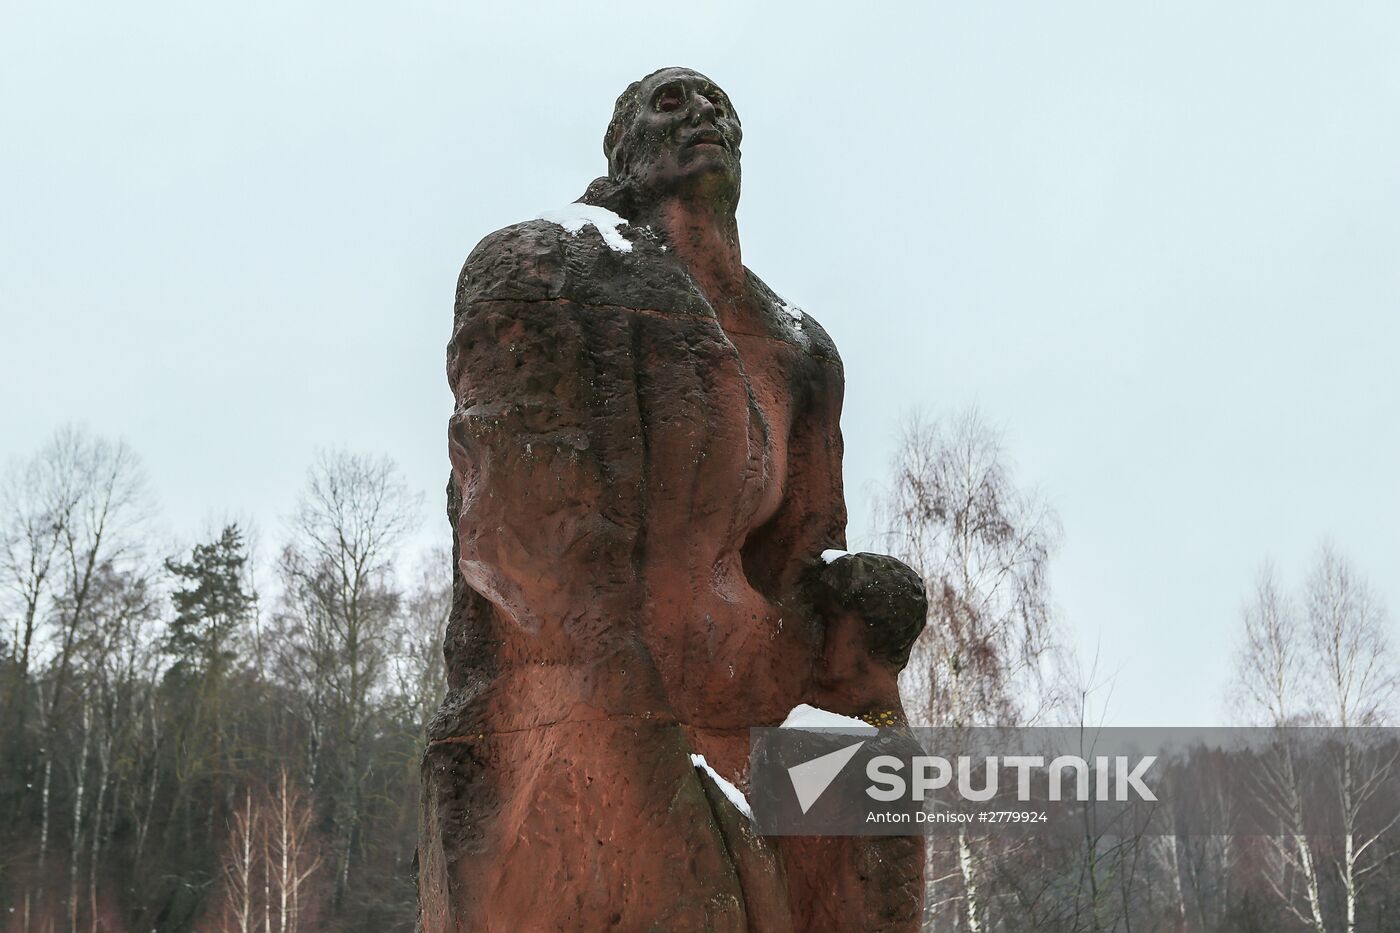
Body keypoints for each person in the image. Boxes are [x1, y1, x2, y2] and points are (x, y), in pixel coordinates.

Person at [420, 67, 927, 932]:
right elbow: (515, 519)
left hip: (751, 691)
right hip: (586, 675)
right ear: (622, 150)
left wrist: (858, 605)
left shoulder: (800, 349)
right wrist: (621, 662)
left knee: (875, 767)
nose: (703, 114)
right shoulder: (542, 264)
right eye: (671, 102)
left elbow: (808, 557)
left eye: (720, 105)